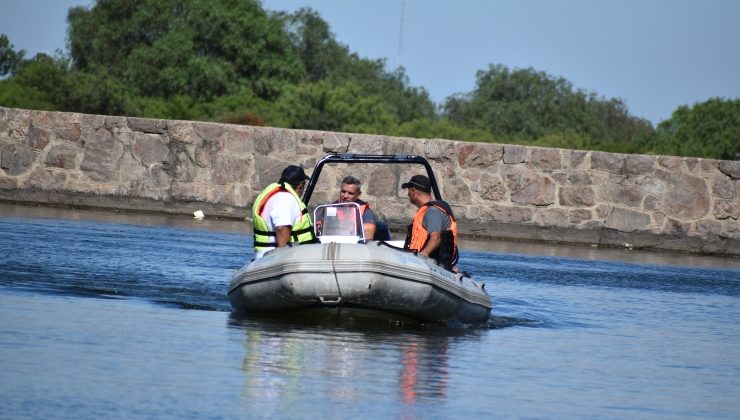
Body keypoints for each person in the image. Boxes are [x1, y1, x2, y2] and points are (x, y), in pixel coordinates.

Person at [252, 165, 316, 258]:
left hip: (264, 257)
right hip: (274, 259)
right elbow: (281, 229)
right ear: (300, 186)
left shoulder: (275, 194)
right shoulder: (286, 199)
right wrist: (281, 259)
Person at [401, 174, 459, 271]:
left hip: (434, 265)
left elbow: (436, 238)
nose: (408, 193)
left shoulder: (432, 212)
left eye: (409, 190)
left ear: (413, 191)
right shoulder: (428, 211)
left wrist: (422, 255)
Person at [335, 175, 377, 240]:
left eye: (350, 193)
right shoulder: (330, 207)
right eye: (343, 191)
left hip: (355, 246)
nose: (345, 196)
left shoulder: (365, 211)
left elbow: (369, 232)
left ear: (358, 194)